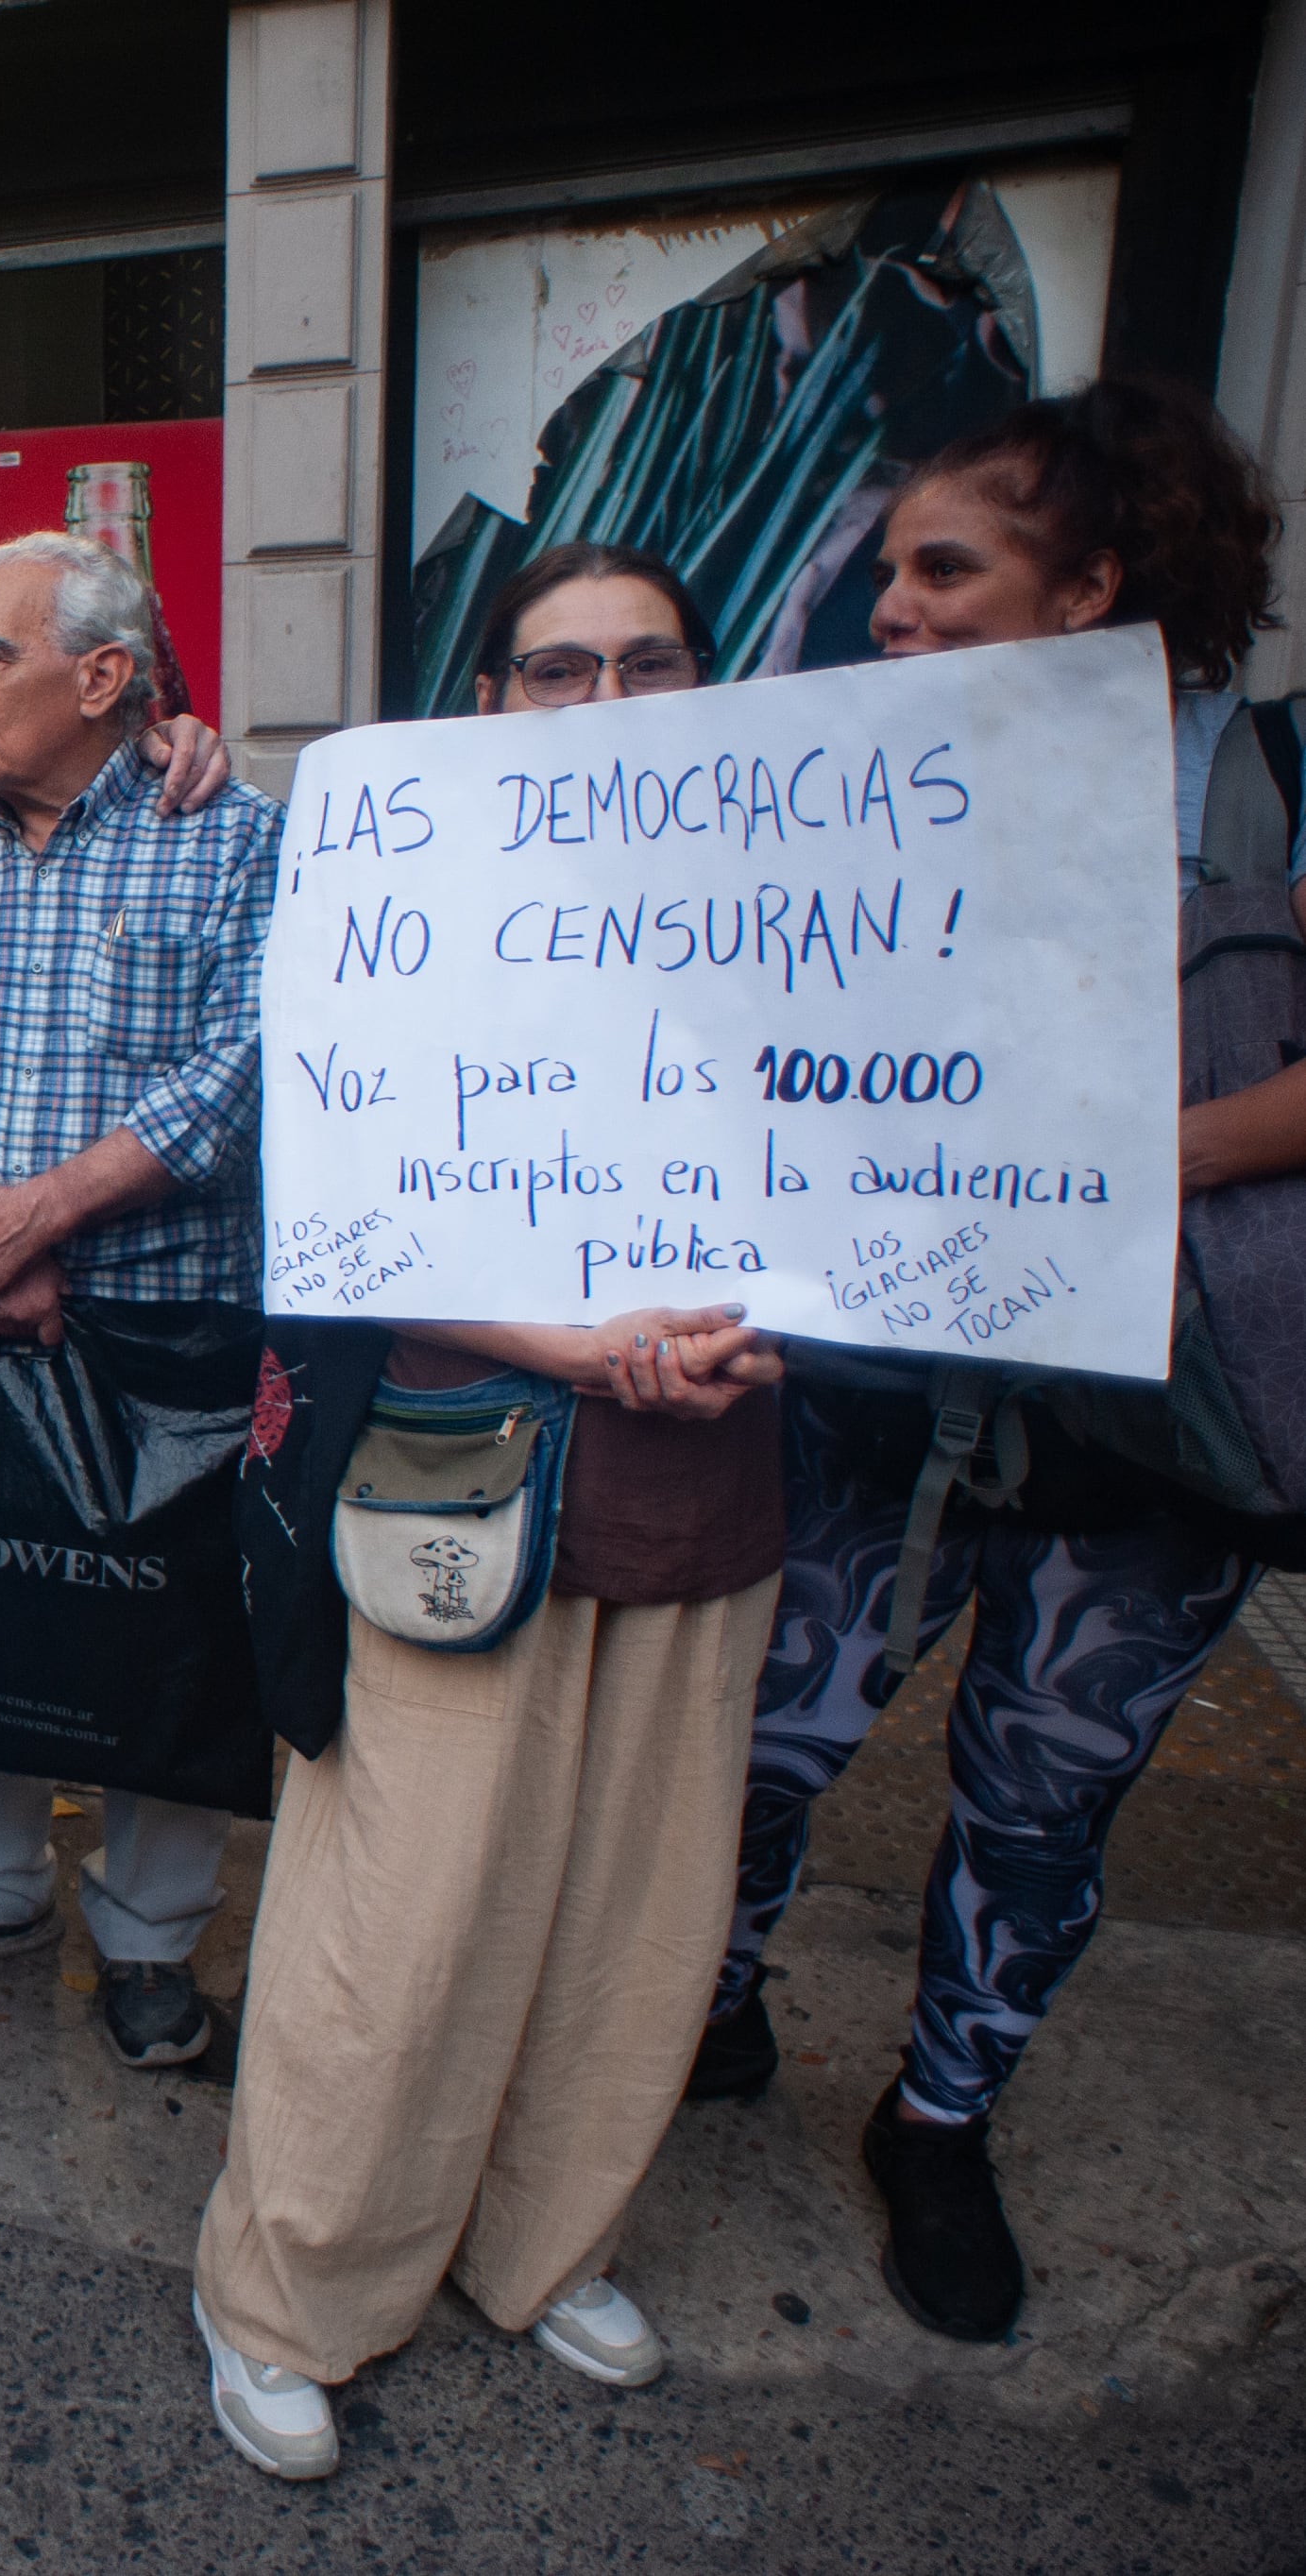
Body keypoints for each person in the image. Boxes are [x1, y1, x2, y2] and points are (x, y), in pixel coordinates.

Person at [693, 379, 1306, 2346]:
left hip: (1150, 1432)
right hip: (879, 1397)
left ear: (1092, 584)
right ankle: (708, 2007)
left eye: (944, 568)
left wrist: (1132, 1164)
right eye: (890, 571)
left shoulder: (1269, 783)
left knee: (1040, 1803)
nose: (893, 608)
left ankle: (940, 2121)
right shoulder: (845, 781)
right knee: (759, 1741)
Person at [187, 543, 791, 2481]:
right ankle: (289, 2288)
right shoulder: (398, 899)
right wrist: (577, 1346)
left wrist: (785, 1318)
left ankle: (545, 2240)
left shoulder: (805, 901)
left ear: (704, 686)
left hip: (701, 1477)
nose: (604, 702)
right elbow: (339, 1215)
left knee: (634, 1899)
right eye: (557, 669)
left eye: (647, 662)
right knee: (406, 1904)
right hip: (462, 1463)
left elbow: (874, 1174)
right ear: (490, 700)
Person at [0, 533, 280, 2069]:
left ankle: (149, 1936)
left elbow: (242, 1072)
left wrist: (43, 1215)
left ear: (103, 677)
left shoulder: (231, 838)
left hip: (165, 1322)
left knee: (165, 1638)